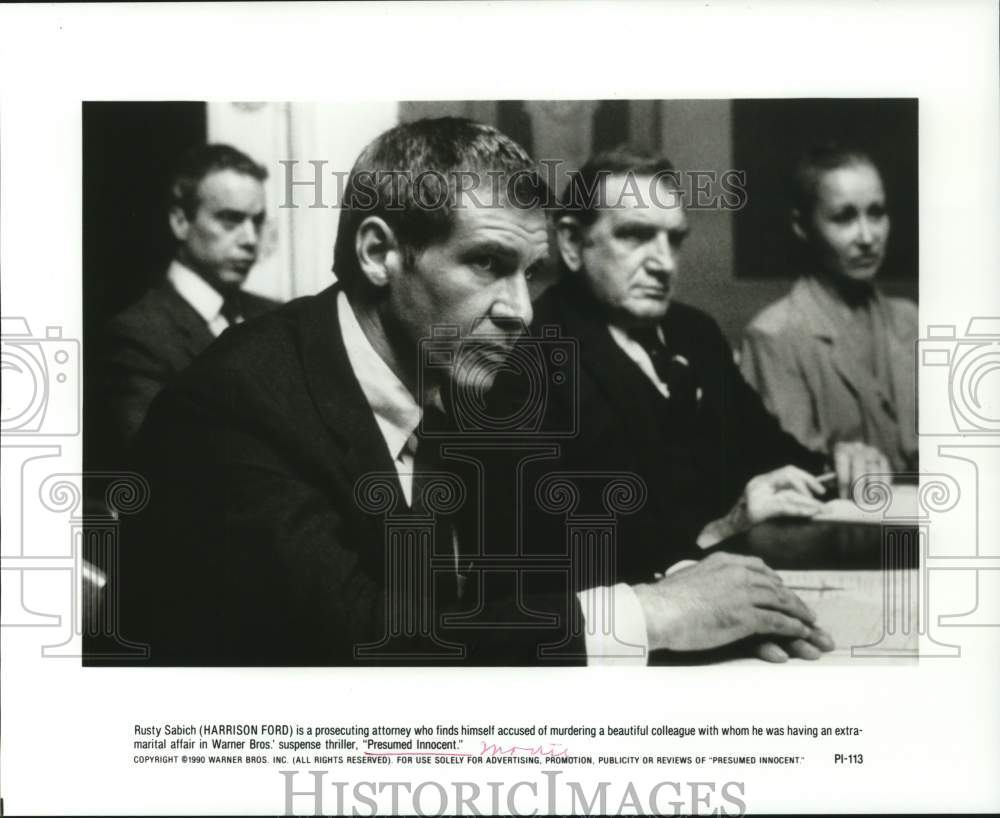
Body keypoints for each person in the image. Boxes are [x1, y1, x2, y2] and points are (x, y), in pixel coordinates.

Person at [111, 119, 832, 667]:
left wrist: (700, 584)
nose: (519, 307)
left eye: (530, 271)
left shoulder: (463, 372)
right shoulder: (235, 406)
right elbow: (364, 641)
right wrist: (652, 616)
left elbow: (566, 533)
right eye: (488, 263)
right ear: (378, 252)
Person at [492, 147, 887, 605]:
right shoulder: (527, 361)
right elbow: (553, 566)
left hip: (751, 589)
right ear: (572, 244)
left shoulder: (695, 332)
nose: (663, 263)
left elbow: (768, 449)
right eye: (636, 236)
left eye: (673, 239)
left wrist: (835, 462)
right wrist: (722, 528)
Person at [741, 143, 917, 473]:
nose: (867, 236)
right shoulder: (774, 337)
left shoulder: (911, 320)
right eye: (844, 217)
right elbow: (787, 475)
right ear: (802, 226)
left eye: (876, 213)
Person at [99, 143, 280, 457]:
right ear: (180, 222)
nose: (250, 239)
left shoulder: (276, 318)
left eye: (257, 221)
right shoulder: (137, 335)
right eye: (230, 219)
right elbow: (162, 465)